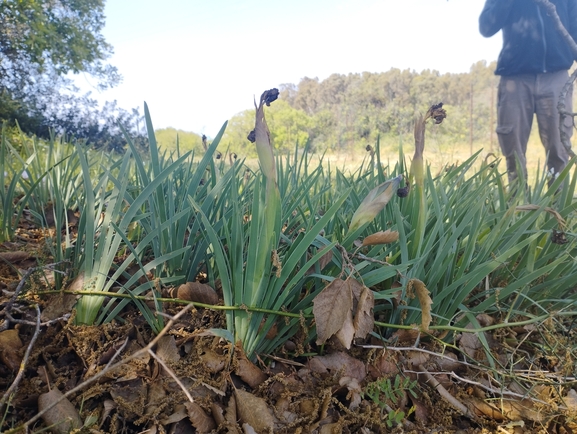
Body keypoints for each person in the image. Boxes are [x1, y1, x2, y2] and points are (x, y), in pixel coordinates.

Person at [479, 0, 577, 184]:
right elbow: (486, 26)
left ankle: (557, 210)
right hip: (515, 78)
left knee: (559, 150)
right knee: (513, 152)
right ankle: (517, 209)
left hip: (557, 77)